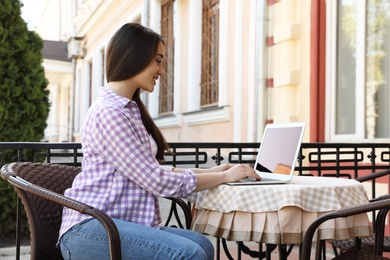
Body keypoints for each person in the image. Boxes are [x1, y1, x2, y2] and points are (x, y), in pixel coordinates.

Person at [58, 22, 260, 260]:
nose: (161, 71)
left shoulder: (128, 110)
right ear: (135, 57)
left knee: (202, 245)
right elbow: (155, 180)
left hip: (116, 223)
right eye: (158, 60)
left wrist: (213, 171)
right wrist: (223, 177)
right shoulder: (109, 113)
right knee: (190, 253)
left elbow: (151, 171)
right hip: (91, 229)